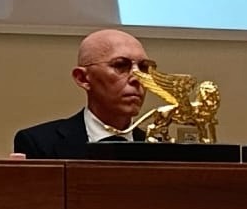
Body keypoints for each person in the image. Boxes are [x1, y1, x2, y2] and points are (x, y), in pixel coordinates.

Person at [12, 29, 153, 156]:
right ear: (83, 78)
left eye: (144, 68)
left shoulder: (158, 148)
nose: (137, 78)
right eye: (120, 65)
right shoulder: (40, 144)